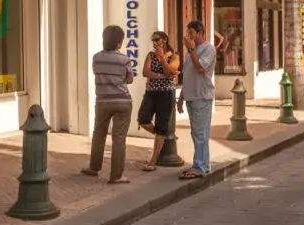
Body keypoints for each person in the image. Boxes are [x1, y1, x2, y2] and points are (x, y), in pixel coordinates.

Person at [82, 25, 133, 184]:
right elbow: (129, 79)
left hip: (103, 101)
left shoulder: (96, 57)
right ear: (119, 42)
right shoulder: (125, 60)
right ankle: (117, 175)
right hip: (123, 101)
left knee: (99, 134)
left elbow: (97, 73)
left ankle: (94, 168)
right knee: (119, 139)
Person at [177, 20, 216, 180]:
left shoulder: (208, 48)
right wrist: (181, 97)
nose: (189, 36)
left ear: (200, 33)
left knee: (200, 133)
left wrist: (192, 49)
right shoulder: (189, 53)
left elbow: (201, 69)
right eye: (188, 33)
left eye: (191, 33)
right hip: (191, 96)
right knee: (196, 133)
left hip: (202, 96)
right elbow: (187, 75)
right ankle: (202, 164)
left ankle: (199, 166)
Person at [138, 31, 180, 172]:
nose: (155, 42)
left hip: (166, 94)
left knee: (162, 125)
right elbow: (145, 72)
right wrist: (162, 75)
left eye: (158, 39)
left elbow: (171, 71)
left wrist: (162, 57)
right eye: (153, 40)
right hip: (151, 92)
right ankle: (161, 135)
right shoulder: (150, 55)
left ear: (165, 40)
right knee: (143, 119)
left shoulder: (174, 56)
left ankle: (153, 161)